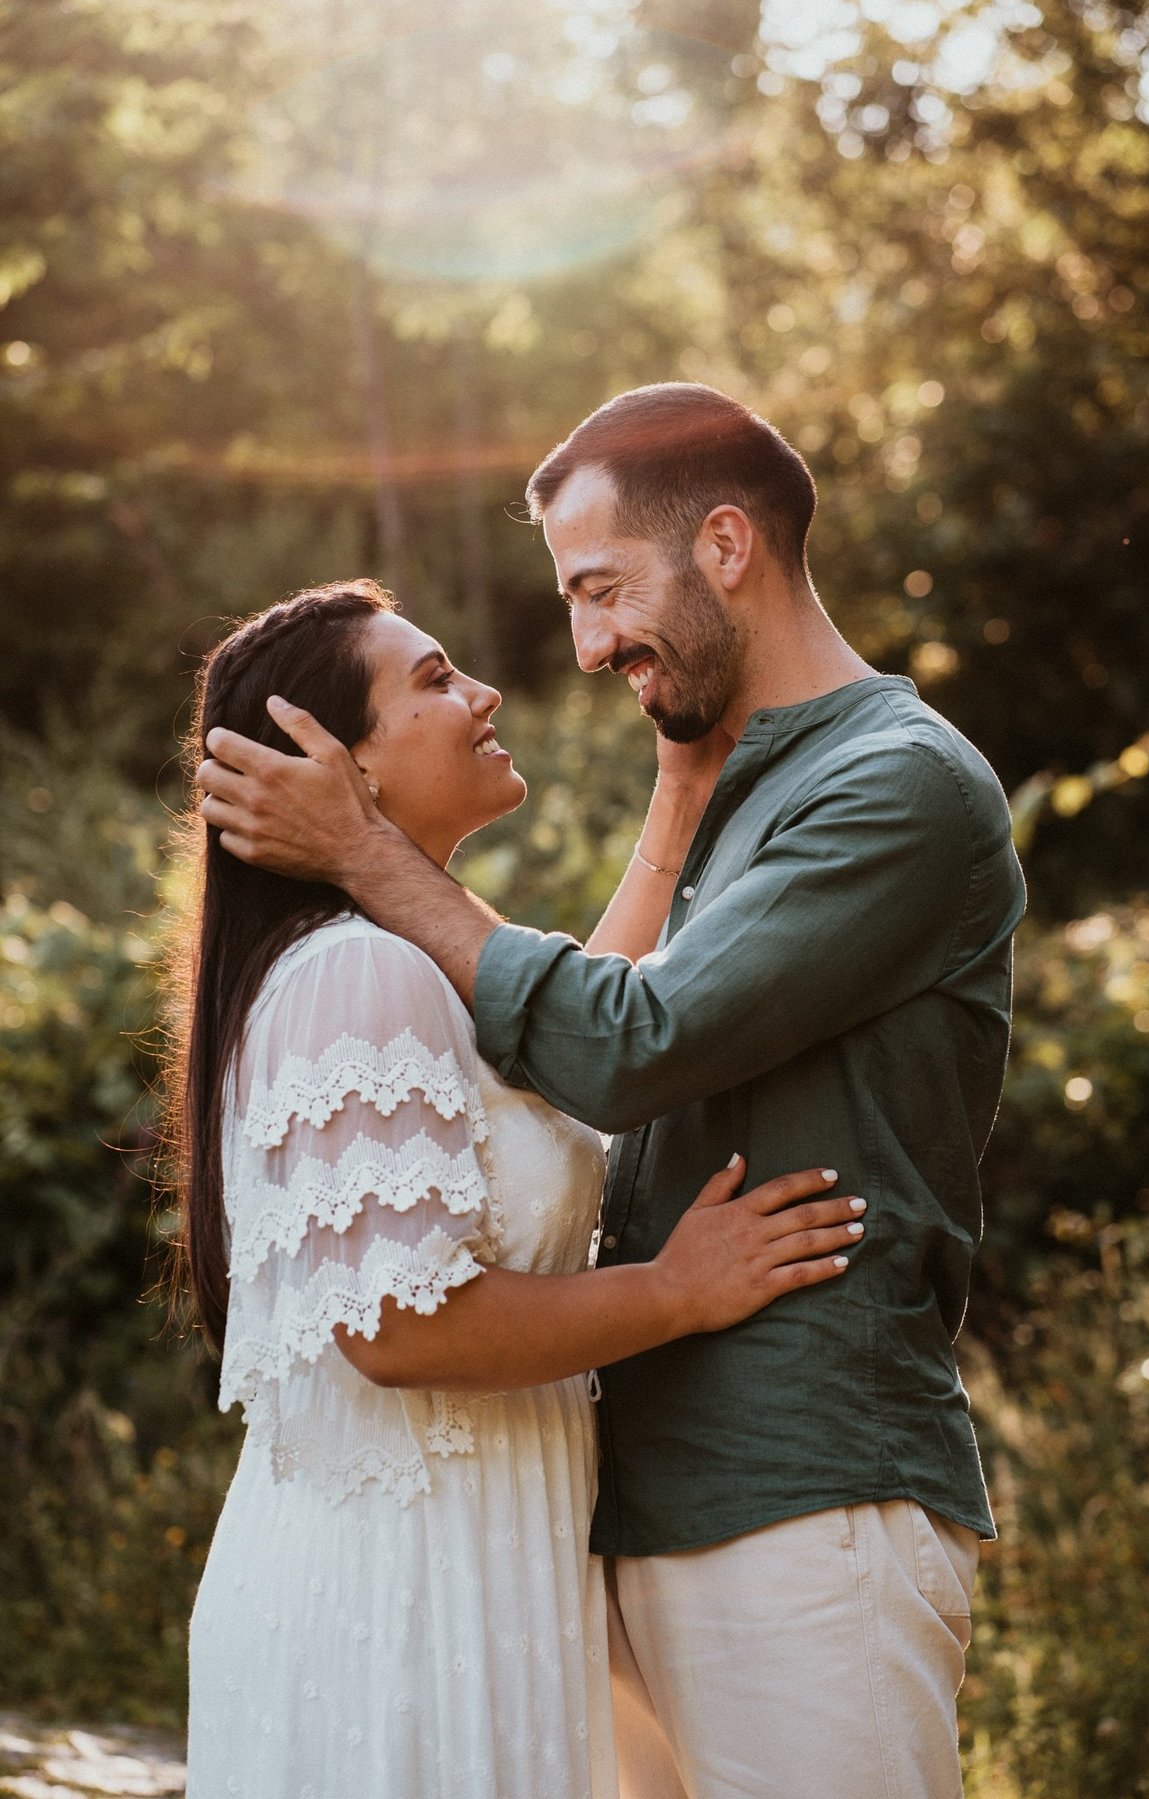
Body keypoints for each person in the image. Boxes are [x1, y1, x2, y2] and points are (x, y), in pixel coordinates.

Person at [197, 384, 1027, 1799]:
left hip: (801, 1497)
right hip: (620, 1518)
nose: (583, 647)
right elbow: (573, 1046)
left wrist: (371, 854)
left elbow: (627, 1042)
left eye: (601, 589)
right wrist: (670, 804)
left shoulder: (895, 786)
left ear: (723, 544)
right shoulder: (740, 793)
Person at [173, 577, 866, 1799]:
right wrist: (674, 1291)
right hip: (400, 1598)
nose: (484, 692)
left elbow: (582, 1043)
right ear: (348, 769)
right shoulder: (354, 977)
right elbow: (399, 1328)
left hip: (483, 1563)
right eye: (434, 679)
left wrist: (679, 804)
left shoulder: (410, 969)